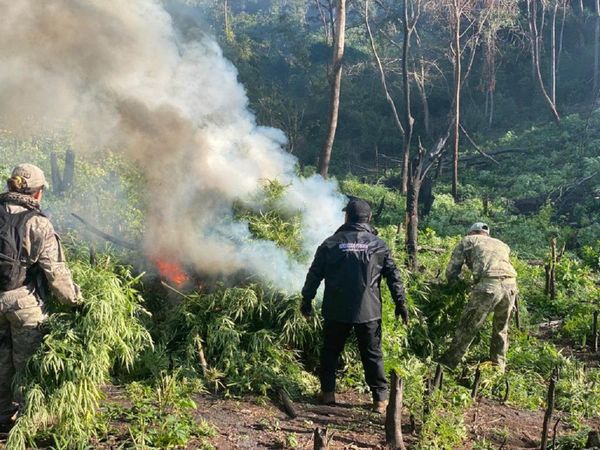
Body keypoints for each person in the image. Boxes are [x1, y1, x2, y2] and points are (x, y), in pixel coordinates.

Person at [300, 198, 408, 414]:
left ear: (347, 217)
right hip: (368, 311)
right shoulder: (379, 245)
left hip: (336, 309)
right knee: (372, 354)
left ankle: (328, 393)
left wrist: (307, 300)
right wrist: (400, 302)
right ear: (368, 219)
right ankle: (380, 401)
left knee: (330, 351)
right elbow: (393, 277)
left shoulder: (330, 243)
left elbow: (314, 275)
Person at [0, 163, 81, 433]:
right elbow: (55, 274)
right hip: (24, 304)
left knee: (1, 362)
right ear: (36, 193)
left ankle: (1, 418)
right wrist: (76, 303)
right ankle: (28, 424)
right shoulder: (39, 223)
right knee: (28, 365)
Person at [440, 222, 518, 371]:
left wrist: (454, 284)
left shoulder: (468, 240)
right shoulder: (501, 244)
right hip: (511, 285)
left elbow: (453, 269)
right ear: (487, 235)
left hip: (489, 284)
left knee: (469, 325)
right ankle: (498, 366)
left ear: (471, 232)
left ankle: (448, 364)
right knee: (501, 328)